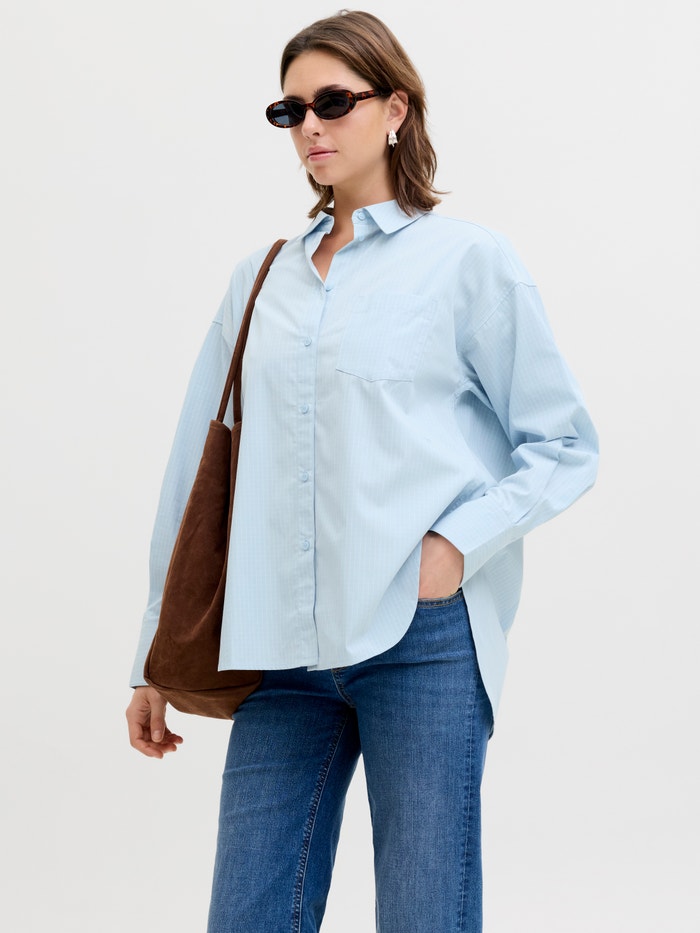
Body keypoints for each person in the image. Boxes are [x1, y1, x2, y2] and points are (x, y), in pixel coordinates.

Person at [126, 10, 598, 932]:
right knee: (248, 915)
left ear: (396, 109)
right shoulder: (259, 279)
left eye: (333, 102)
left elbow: (564, 443)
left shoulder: (467, 261)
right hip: (279, 648)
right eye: (291, 109)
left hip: (420, 640)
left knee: (425, 915)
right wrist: (153, 651)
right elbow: (194, 473)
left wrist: (454, 546)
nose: (310, 126)